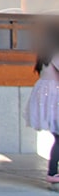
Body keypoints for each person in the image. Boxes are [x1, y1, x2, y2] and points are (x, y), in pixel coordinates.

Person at [26, 19, 59, 184]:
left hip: (47, 102)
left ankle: (53, 172)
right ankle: (53, 172)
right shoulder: (56, 54)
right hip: (55, 101)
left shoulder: (44, 55)